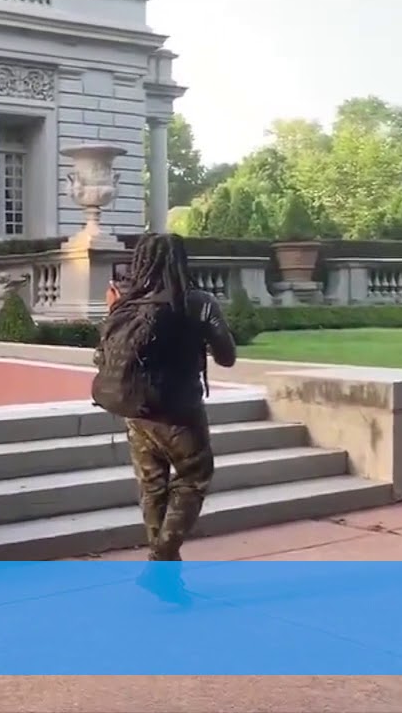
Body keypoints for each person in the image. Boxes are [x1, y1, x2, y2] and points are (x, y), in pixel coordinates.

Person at [93, 234, 237, 565]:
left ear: (139, 261)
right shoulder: (197, 302)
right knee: (193, 478)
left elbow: (102, 358)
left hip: (138, 412)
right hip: (181, 414)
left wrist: (112, 311)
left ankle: (165, 573)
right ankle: (161, 558)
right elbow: (226, 357)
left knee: (153, 488)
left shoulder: (126, 303)